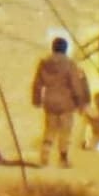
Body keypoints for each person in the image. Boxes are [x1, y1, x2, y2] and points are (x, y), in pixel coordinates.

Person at [31, 37, 90, 168]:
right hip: (66, 102)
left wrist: (37, 100)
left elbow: (37, 83)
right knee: (65, 131)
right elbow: (75, 85)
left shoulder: (44, 63)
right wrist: (80, 102)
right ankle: (63, 159)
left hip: (50, 101)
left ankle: (44, 156)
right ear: (65, 49)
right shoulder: (69, 64)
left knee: (49, 130)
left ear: (53, 48)